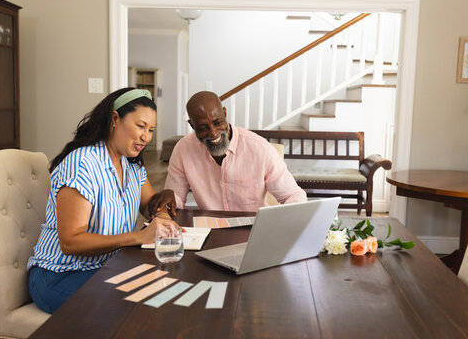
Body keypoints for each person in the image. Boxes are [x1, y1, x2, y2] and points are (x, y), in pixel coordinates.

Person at [27, 87, 179, 314]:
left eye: (151, 130)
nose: (146, 137)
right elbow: (71, 242)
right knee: (143, 306)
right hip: (59, 276)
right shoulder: (82, 164)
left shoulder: (130, 164)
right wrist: (139, 236)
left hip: (104, 268)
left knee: (167, 290)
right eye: (140, 126)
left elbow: (151, 206)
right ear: (115, 119)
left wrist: (163, 217)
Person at [164, 91, 307, 212]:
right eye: (202, 128)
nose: (213, 133)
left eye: (217, 123)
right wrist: (167, 203)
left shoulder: (259, 148)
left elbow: (293, 196)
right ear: (192, 125)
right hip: (208, 231)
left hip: (252, 231)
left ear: (224, 114)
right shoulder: (183, 149)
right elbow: (174, 197)